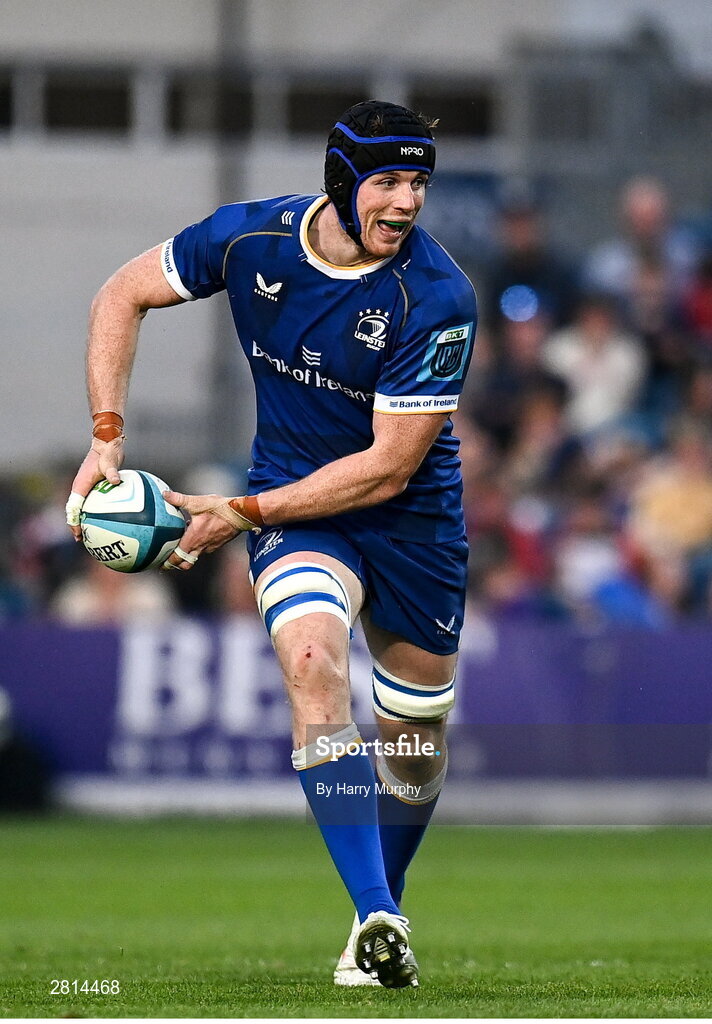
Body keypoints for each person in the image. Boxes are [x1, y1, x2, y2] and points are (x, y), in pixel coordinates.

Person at [65, 100, 477, 989]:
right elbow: (119, 295)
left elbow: (387, 470)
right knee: (311, 659)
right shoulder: (251, 241)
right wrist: (106, 433)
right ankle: (374, 912)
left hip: (410, 523)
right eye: (390, 181)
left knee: (414, 745)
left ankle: (384, 908)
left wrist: (238, 511)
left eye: (419, 183)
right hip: (298, 517)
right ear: (342, 178)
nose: (407, 202)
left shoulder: (437, 297)